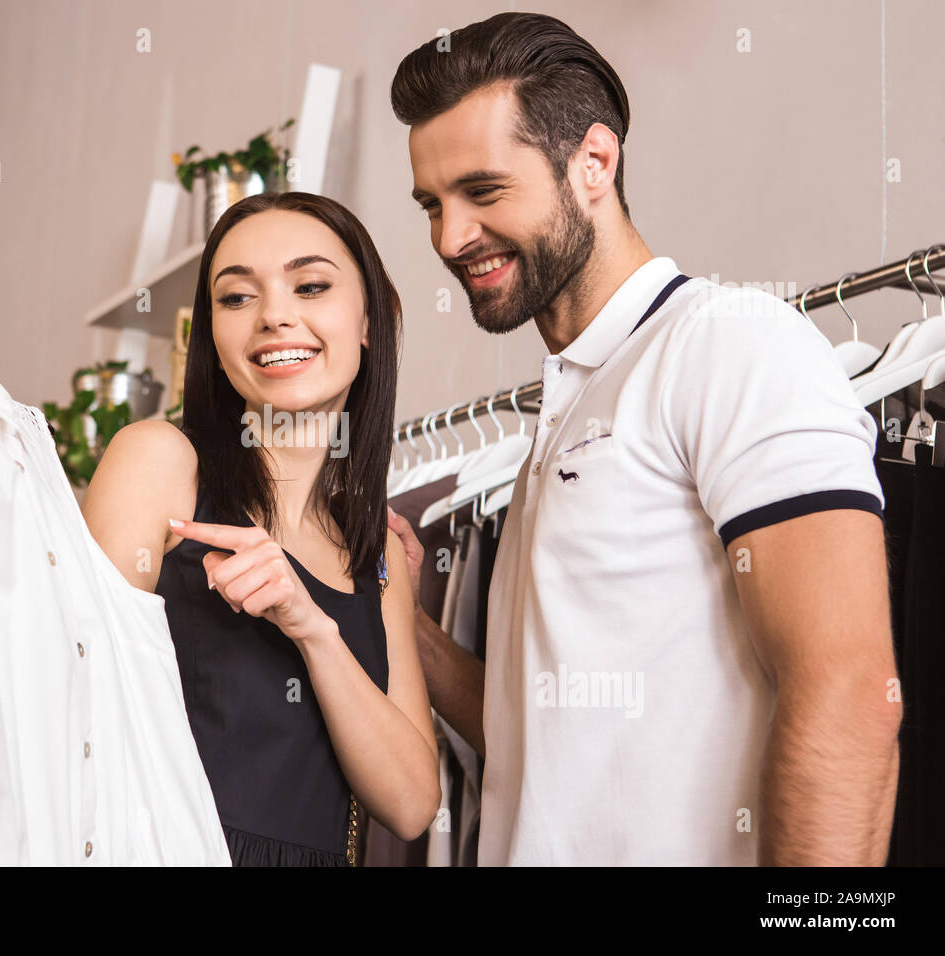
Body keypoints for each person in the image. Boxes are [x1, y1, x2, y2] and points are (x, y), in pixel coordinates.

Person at [384, 10, 902, 865]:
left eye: (482, 192)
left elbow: (849, 692)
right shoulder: (560, 417)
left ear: (594, 161)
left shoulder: (730, 340)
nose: (449, 237)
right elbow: (537, 742)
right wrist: (413, 628)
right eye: (431, 205)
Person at [0, 191, 440, 866]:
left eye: (311, 286)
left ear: (369, 324)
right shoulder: (162, 461)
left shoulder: (377, 553)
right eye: (236, 299)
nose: (275, 316)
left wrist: (311, 627)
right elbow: (67, 673)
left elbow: (411, 804)